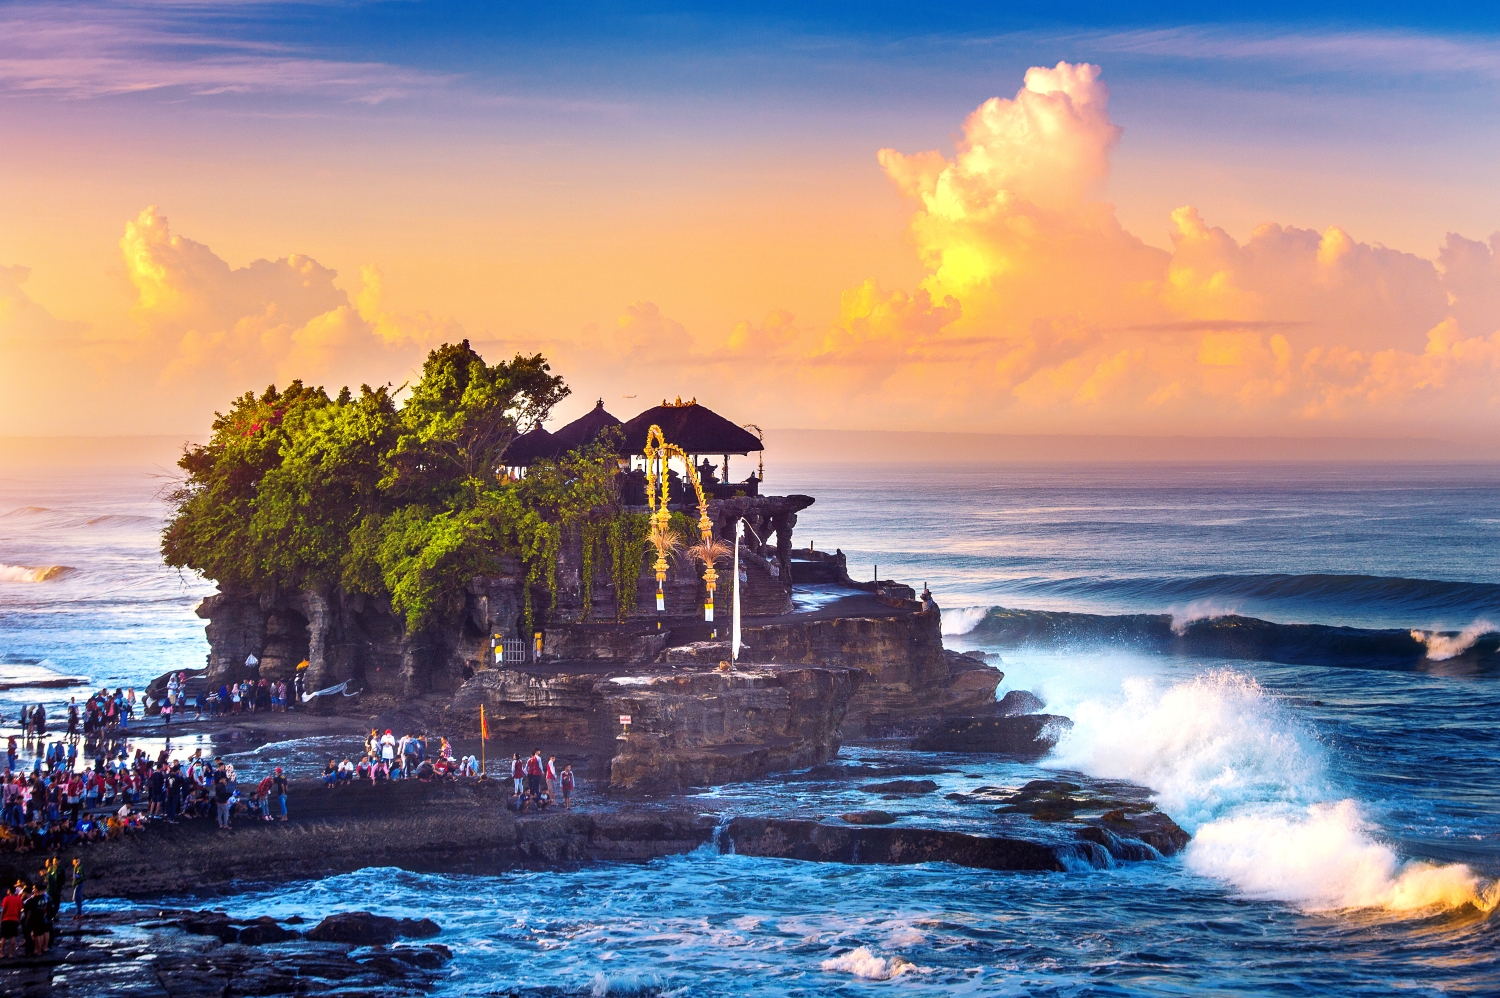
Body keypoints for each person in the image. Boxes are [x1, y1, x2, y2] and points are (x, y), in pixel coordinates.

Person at [0, 882, 21, 958]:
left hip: (6, 919)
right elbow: (19, 911)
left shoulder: (6, 899)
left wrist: (1, 919)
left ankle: (2, 953)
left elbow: (3, 910)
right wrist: (19, 919)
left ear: (9, 891)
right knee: (13, 937)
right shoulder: (18, 899)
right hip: (14, 919)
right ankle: (11, 954)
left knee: (4, 937)